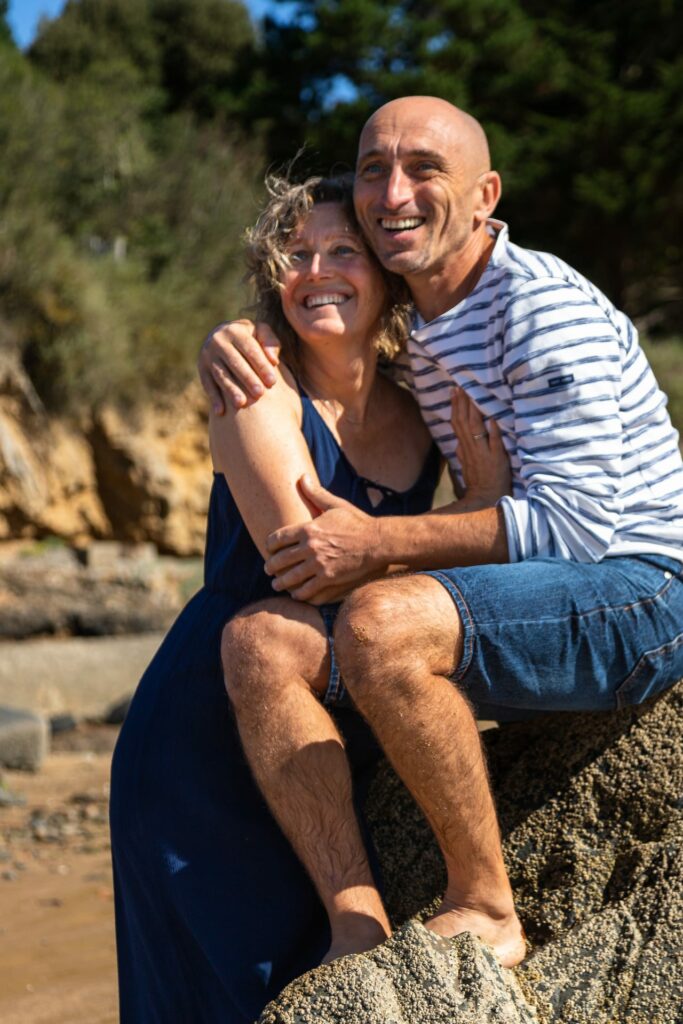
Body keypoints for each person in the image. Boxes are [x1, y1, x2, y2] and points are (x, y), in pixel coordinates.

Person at [199, 96, 683, 971]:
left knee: (383, 625)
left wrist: (380, 545)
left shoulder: (538, 307)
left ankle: (486, 907)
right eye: (375, 169)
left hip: (642, 588)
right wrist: (234, 336)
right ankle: (356, 922)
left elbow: (576, 528)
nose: (393, 192)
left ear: (484, 194)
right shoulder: (421, 329)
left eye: (425, 168)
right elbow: (321, 335)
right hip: (539, 595)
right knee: (261, 641)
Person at [109, 172, 507, 1023]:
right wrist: (472, 519)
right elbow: (308, 566)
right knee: (219, 985)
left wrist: (481, 518)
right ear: (270, 276)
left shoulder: (421, 401)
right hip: (204, 733)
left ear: (384, 275)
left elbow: (481, 532)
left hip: (323, 716)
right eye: (295, 255)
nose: (317, 270)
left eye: (343, 251)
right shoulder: (256, 385)